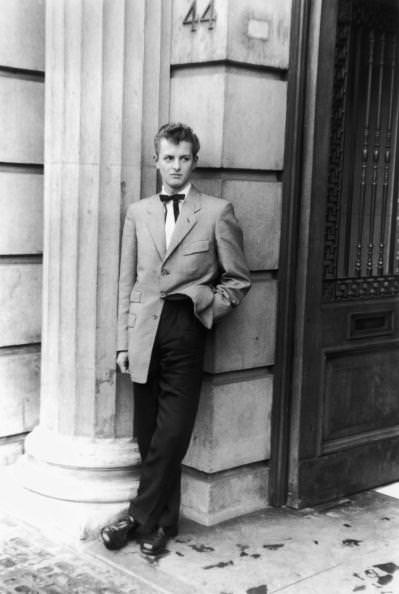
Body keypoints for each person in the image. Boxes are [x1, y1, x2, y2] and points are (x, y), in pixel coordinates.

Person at [101, 122, 251, 556]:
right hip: (144, 330)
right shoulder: (138, 211)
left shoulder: (217, 211)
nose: (176, 166)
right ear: (156, 161)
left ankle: (137, 517)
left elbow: (239, 280)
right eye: (168, 157)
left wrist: (207, 305)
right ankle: (162, 525)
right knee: (147, 431)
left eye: (184, 158)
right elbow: (125, 282)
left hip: (186, 326)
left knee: (173, 432)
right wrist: (121, 343)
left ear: (194, 161)